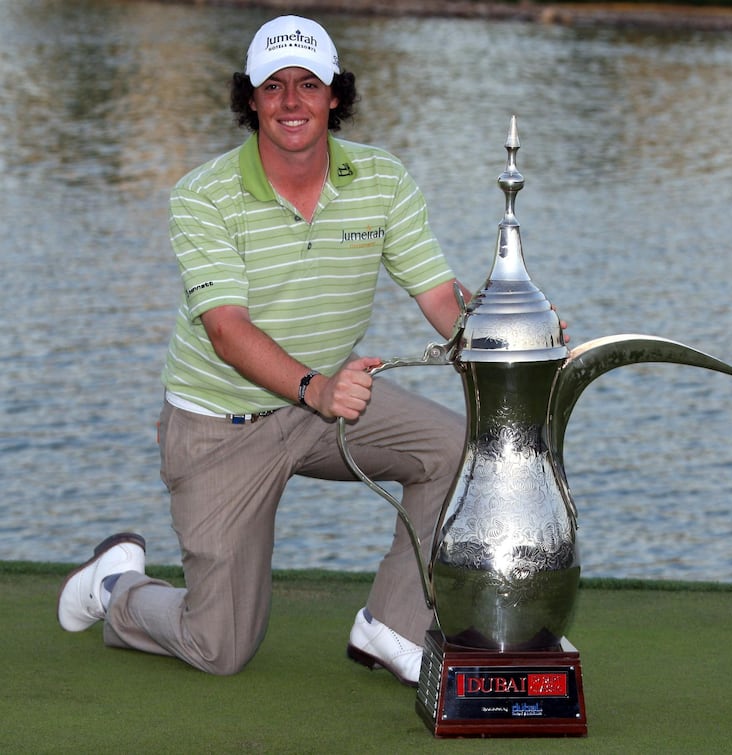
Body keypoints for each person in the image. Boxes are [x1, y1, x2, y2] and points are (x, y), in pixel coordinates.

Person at [57, 15, 471, 685]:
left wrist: (513, 330)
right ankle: (116, 588)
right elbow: (226, 329)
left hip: (322, 403)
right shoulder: (203, 194)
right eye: (271, 86)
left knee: (455, 448)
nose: (290, 102)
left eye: (308, 84)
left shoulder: (381, 179)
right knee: (219, 645)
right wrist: (317, 389)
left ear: (336, 94)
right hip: (220, 426)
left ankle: (391, 624)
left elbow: (439, 297)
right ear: (248, 98)